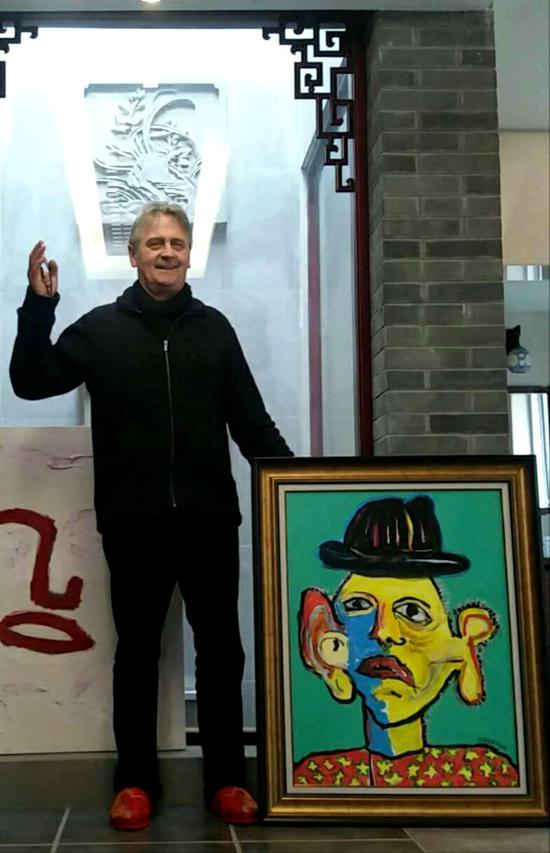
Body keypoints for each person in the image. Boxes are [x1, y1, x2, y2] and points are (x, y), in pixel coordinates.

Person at [10, 201, 292, 830]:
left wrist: (302, 492)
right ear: (133, 255)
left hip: (209, 519)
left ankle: (227, 780)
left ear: (189, 255)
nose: (167, 252)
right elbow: (30, 380)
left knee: (222, 652)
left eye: (177, 243)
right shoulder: (99, 330)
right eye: (155, 243)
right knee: (136, 653)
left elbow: (252, 423)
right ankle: (135, 782)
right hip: (132, 522)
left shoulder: (215, 330)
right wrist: (38, 309)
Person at [294, 495, 519, 788]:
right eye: (358, 605)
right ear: (324, 641)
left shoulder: (487, 775)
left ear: (461, 649)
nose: (383, 632)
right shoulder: (314, 779)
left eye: (413, 611)